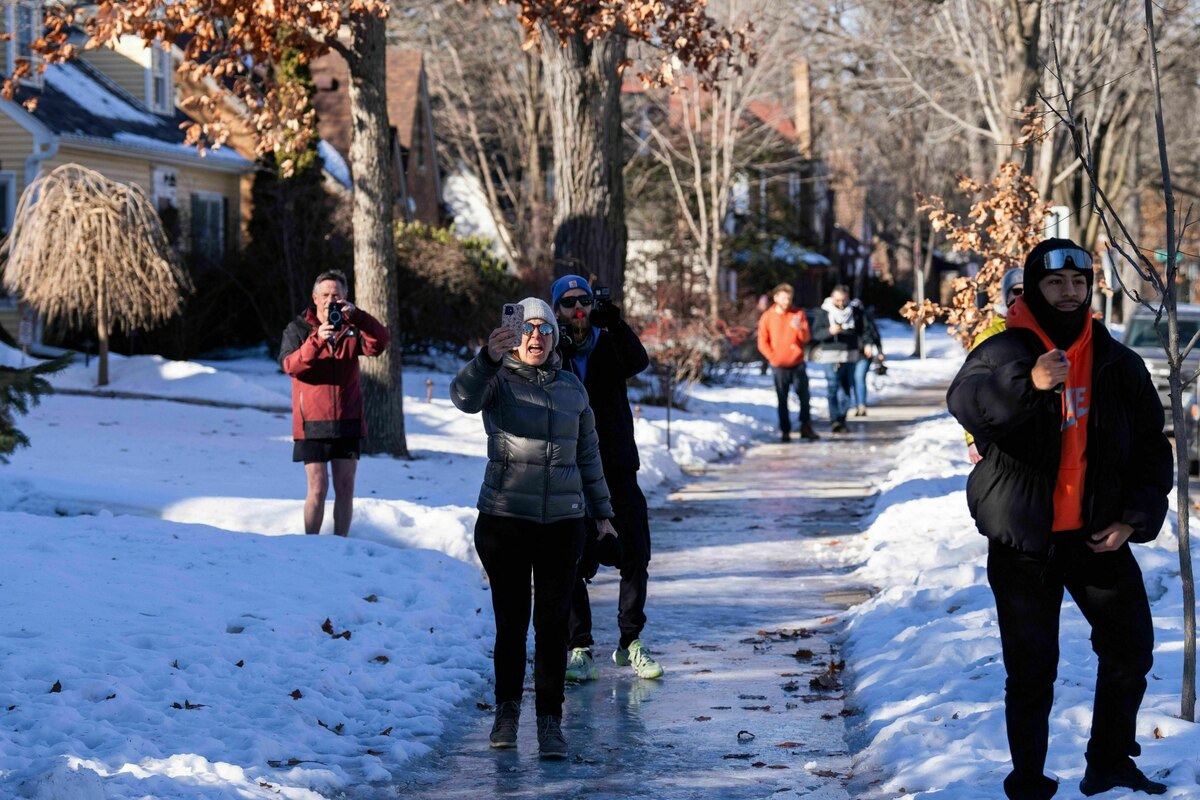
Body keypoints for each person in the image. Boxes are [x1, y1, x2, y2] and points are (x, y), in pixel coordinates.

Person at [946, 239, 1171, 800]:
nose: (1069, 292)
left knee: (1130, 649)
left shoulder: (1117, 361)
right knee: (1031, 670)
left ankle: (1109, 764)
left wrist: (1133, 519)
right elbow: (967, 403)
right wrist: (1031, 383)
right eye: (1055, 282)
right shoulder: (1005, 348)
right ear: (1033, 287)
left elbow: (1151, 448)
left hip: (1097, 536)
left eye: (1079, 282)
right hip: (1025, 541)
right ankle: (1028, 780)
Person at [451, 296, 617, 759]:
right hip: (504, 521)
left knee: (552, 625)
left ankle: (550, 722)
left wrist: (603, 516)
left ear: (555, 337)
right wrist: (486, 358)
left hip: (562, 524)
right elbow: (463, 397)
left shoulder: (572, 389)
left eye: (545, 329)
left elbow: (588, 456)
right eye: (527, 328)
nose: (536, 337)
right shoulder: (497, 380)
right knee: (510, 623)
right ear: (513, 335)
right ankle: (506, 714)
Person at [550, 274, 665, 683]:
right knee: (570, 561)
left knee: (636, 554)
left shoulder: (608, 342)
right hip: (570, 471)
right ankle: (579, 647)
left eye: (584, 300)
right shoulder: (551, 350)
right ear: (556, 310)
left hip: (617, 466)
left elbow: (638, 362)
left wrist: (615, 323)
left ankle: (630, 641)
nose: (578, 309)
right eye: (568, 303)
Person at [280, 269, 389, 537]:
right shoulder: (298, 329)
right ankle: (311, 544)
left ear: (345, 297)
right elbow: (290, 366)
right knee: (317, 488)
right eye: (326, 294)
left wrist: (358, 316)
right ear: (315, 298)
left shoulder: (352, 328)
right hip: (311, 423)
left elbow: (379, 343)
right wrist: (317, 340)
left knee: (345, 488)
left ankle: (341, 545)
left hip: (347, 420)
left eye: (336, 295)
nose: (331, 300)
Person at [965, 267, 1024, 464]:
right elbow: (969, 391)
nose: (1022, 296)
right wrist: (972, 438)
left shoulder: (1045, 333)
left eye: (1028, 291)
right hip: (998, 440)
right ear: (1006, 296)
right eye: (1016, 291)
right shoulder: (988, 338)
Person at [756, 282, 819, 442]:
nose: (787, 302)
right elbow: (762, 342)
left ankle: (806, 426)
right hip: (779, 365)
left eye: (789, 299)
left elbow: (806, 338)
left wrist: (800, 329)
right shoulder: (767, 317)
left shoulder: (798, 313)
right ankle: (785, 430)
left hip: (797, 362)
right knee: (782, 398)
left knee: (804, 396)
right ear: (776, 298)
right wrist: (773, 357)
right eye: (784, 298)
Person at [809, 285, 860, 433]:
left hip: (849, 353)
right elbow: (816, 334)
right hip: (830, 354)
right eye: (838, 300)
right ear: (832, 298)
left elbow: (862, 330)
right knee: (832, 386)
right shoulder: (823, 312)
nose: (841, 303)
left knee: (846, 388)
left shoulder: (854, 311)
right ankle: (835, 419)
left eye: (844, 300)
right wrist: (830, 331)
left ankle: (842, 418)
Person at [848, 298, 884, 418]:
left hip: (864, 354)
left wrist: (879, 351)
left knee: (859, 378)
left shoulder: (866, 320)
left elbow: (874, 335)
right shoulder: (847, 319)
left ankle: (861, 405)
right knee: (853, 380)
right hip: (850, 354)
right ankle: (855, 404)